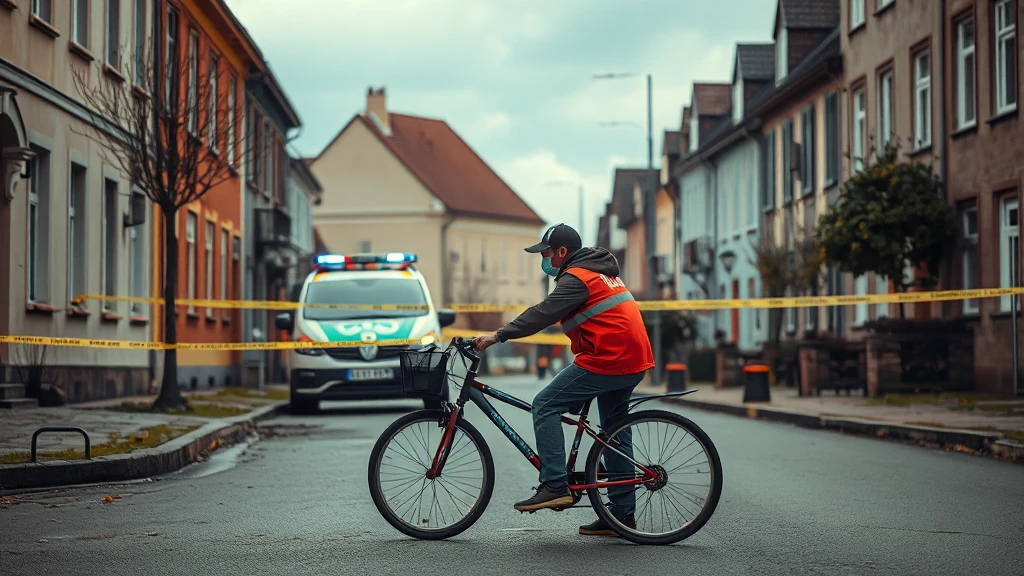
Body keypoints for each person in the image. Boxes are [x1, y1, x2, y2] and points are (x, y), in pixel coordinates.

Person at [472, 223, 654, 537]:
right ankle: (622, 518)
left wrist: (498, 335)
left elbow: (543, 313)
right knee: (614, 432)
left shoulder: (577, 278)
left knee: (544, 404)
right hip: (631, 358)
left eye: (545, 253)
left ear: (562, 252)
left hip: (609, 358)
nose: (544, 260)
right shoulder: (601, 273)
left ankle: (555, 484)